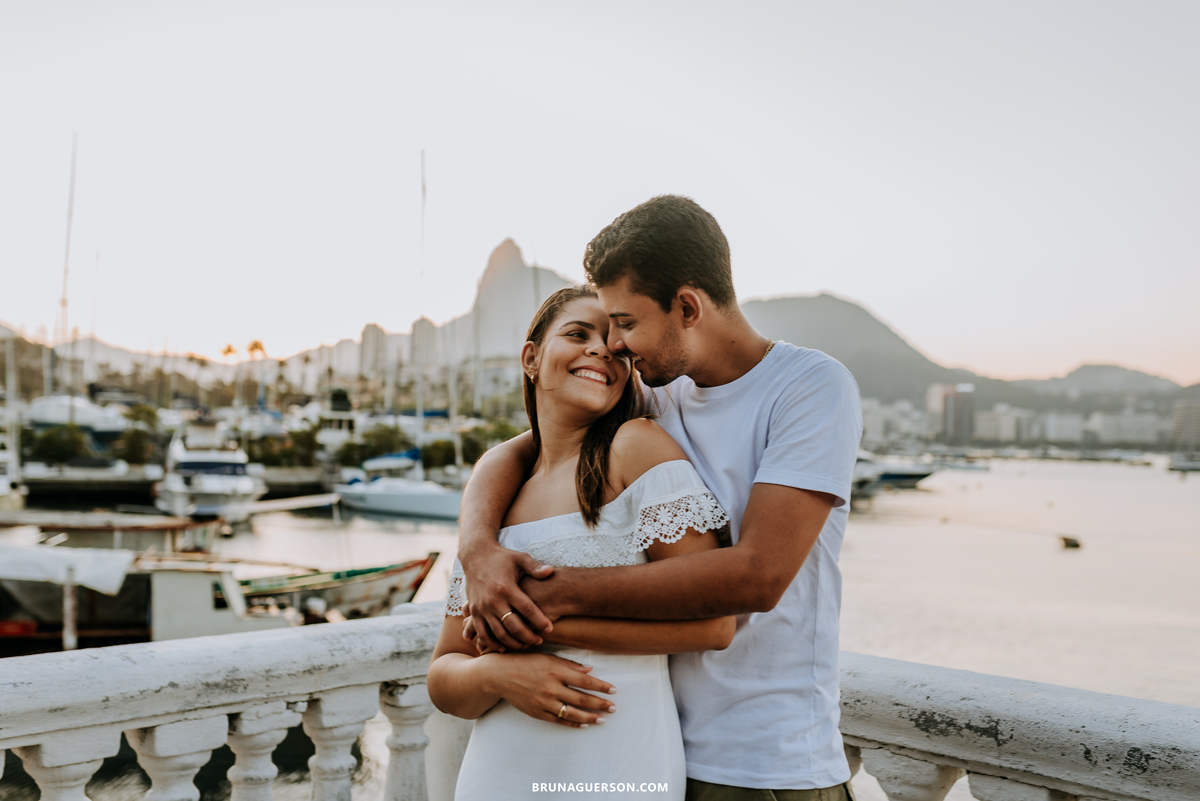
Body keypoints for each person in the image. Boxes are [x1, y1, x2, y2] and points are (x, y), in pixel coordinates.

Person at [458, 196, 863, 801]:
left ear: (688, 307)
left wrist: (553, 596)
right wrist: (478, 549)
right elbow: (522, 450)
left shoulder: (808, 387)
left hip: (763, 762)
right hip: (656, 746)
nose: (616, 345)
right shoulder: (658, 396)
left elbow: (757, 577)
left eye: (624, 322)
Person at [427, 284, 737, 801]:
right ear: (531, 358)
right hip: (497, 773)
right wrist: (497, 674)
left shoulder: (635, 448)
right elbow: (445, 676)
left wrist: (525, 629)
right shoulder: (497, 497)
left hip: (618, 766)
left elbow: (715, 625)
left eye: (617, 347)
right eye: (578, 334)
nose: (600, 349)